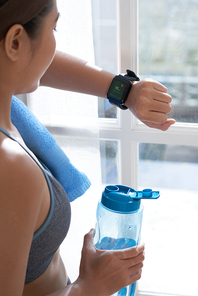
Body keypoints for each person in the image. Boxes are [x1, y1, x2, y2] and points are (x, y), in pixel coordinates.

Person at [0, 1, 174, 296]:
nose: (53, 45)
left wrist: (125, 90)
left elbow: (29, 57)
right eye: (54, 27)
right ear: (15, 41)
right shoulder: (11, 167)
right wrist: (87, 287)